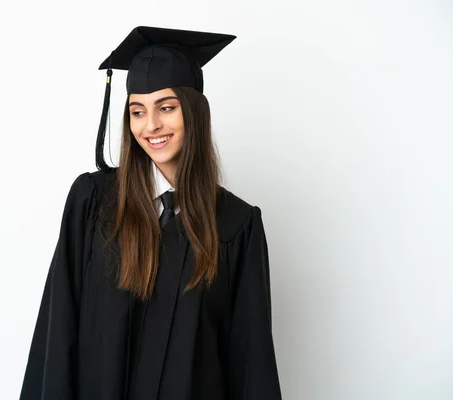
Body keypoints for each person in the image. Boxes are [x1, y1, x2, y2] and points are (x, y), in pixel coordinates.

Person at [19, 26, 282, 400]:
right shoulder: (93, 202)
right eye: (137, 111)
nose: (151, 125)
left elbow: (250, 364)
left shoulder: (236, 225)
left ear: (193, 111)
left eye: (166, 107)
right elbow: (57, 331)